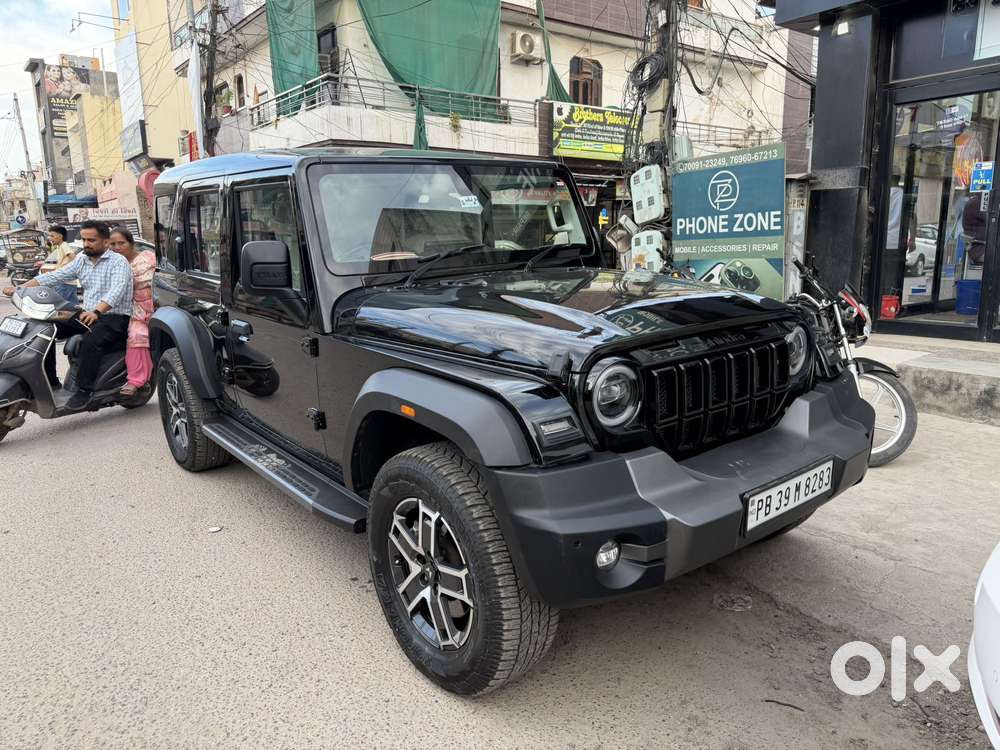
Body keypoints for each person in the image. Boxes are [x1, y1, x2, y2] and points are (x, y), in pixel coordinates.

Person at [1, 220, 133, 409]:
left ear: (105, 241)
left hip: (114, 317)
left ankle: (84, 390)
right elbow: (56, 276)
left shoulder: (118, 262)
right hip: (88, 314)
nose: (86, 244)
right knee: (46, 329)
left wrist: (98, 311)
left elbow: (117, 290)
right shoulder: (82, 259)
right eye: (84, 239)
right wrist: (21, 288)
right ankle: (51, 381)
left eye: (92, 240)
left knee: (90, 342)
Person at [109, 227, 156, 396]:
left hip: (159, 304)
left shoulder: (149, 258)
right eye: (113, 244)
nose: (117, 247)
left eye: (121, 243)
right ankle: (136, 380)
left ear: (131, 243)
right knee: (136, 335)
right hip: (136, 308)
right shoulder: (115, 266)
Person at [38, 224, 77, 303]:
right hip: (69, 282)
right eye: (49, 236)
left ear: (60, 236)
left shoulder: (64, 245)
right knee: (73, 307)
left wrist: (71, 269)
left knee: (58, 305)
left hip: (64, 282)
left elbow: (73, 256)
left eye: (52, 236)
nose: (50, 238)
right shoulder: (59, 247)